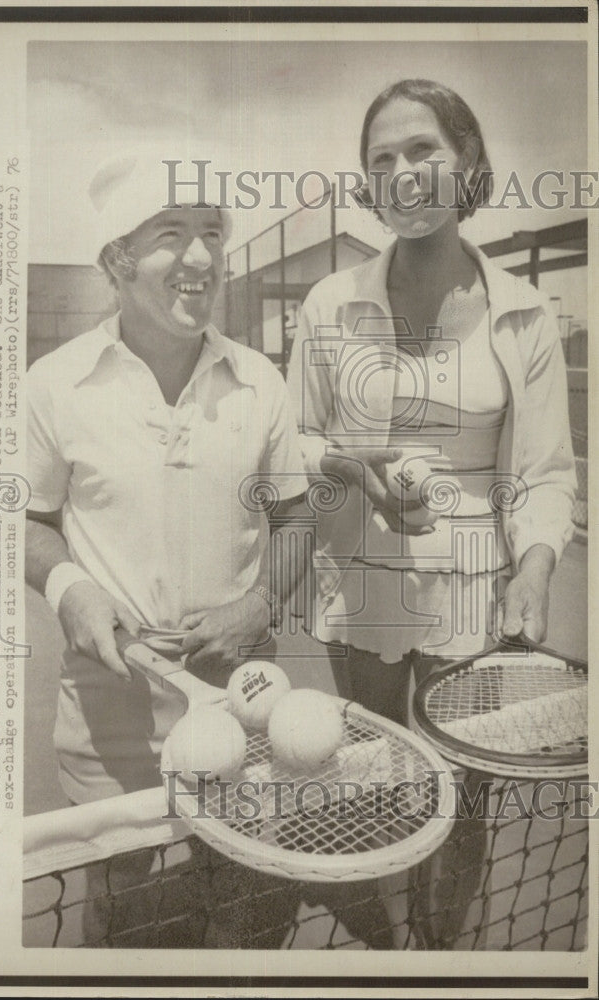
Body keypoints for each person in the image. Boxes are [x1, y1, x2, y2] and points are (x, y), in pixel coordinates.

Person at [286, 78, 576, 946]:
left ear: (468, 162)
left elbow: (548, 474)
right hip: (359, 593)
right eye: (382, 158)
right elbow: (292, 442)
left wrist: (533, 566)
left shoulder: (524, 316)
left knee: (461, 797)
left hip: (479, 597)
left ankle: (439, 955)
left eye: (423, 151)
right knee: (376, 781)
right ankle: (385, 951)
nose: (403, 172)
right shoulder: (330, 304)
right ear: (368, 184)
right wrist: (343, 462)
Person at [25, 154, 309, 945]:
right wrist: (71, 589)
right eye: (170, 234)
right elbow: (25, 521)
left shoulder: (261, 381)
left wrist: (257, 605)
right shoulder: (52, 385)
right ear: (115, 261)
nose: (200, 257)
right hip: (108, 730)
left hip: (249, 713)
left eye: (212, 233)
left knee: (250, 926)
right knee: (130, 939)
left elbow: (295, 522)